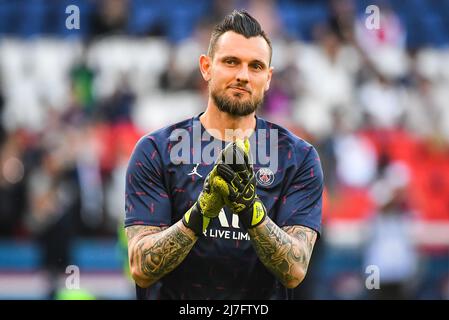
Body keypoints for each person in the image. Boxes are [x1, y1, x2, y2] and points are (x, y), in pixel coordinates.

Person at [124, 10, 323, 300]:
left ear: (268, 78)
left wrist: (250, 211)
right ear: (206, 67)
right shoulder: (156, 151)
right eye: (231, 62)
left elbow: (294, 271)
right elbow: (141, 267)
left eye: (255, 66)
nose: (243, 75)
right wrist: (201, 213)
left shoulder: (297, 158)